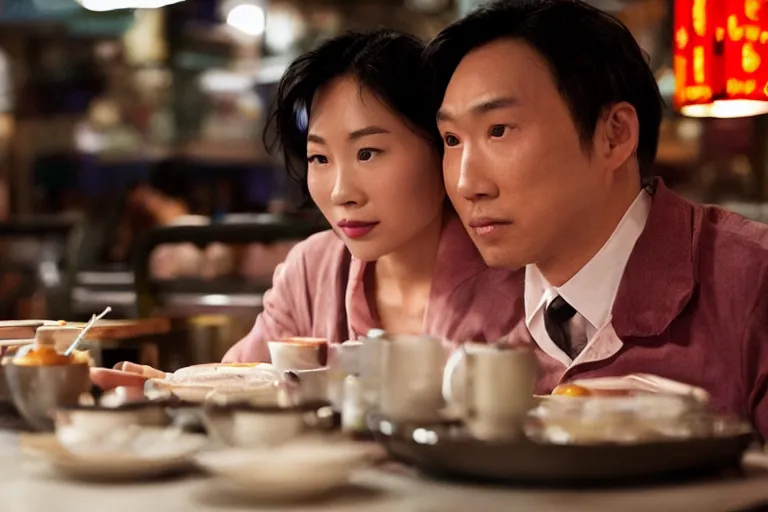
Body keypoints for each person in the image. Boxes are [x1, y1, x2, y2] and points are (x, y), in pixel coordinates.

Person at [90, 29, 521, 389]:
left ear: (441, 144)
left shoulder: (514, 275)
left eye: (368, 153)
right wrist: (170, 389)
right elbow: (242, 384)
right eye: (319, 158)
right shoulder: (313, 270)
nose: (341, 192)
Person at [425, 0, 768, 437]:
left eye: (498, 130)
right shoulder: (466, 308)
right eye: (452, 139)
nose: (467, 182)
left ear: (615, 134)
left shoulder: (751, 285)